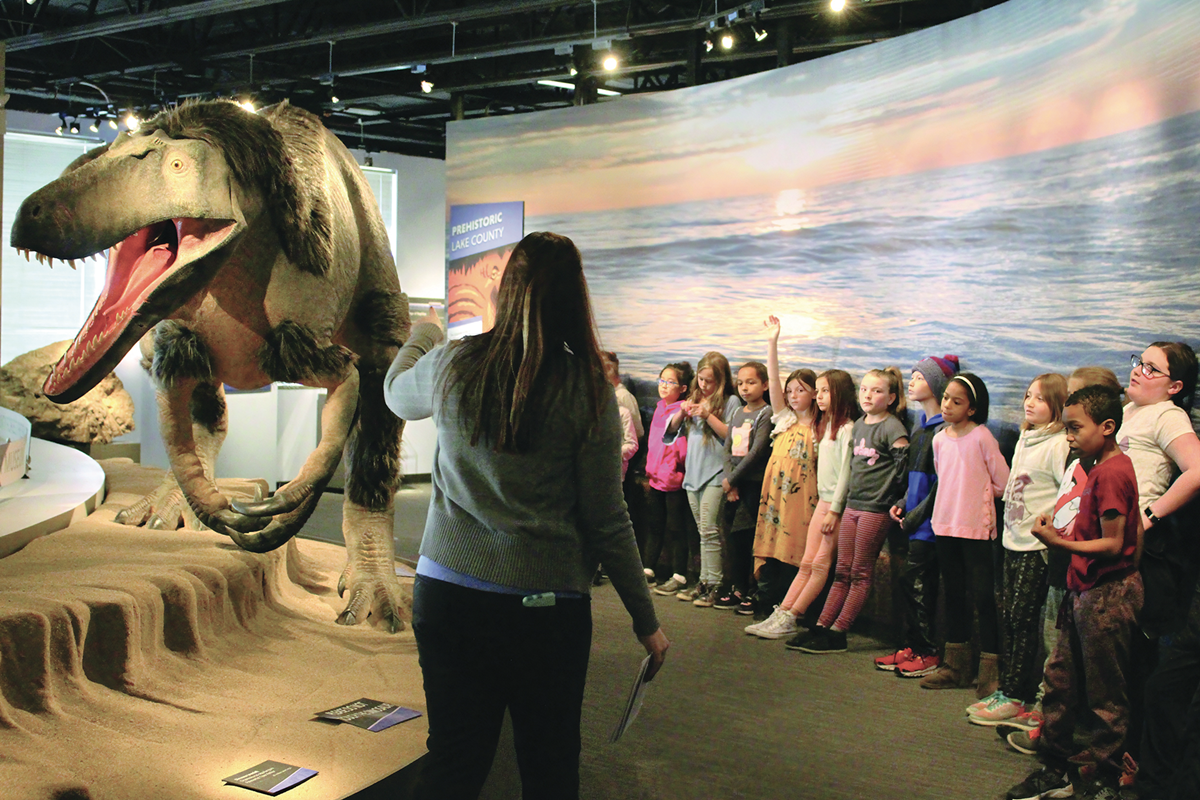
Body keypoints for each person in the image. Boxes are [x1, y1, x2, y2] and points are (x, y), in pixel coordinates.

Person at [384, 231, 669, 800]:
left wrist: (424, 334)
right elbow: (607, 518)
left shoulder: (451, 364)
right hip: (546, 610)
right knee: (549, 764)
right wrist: (646, 621)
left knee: (454, 760)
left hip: (447, 597)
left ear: (506, 290)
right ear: (575, 298)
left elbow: (395, 393)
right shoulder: (587, 390)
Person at [1006, 385, 1143, 800]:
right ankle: (1055, 764)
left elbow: (1115, 542)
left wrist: (1056, 542)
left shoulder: (1114, 471)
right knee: (1059, 678)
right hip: (1082, 589)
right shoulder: (1093, 465)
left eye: (1075, 428)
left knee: (1105, 694)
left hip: (1106, 593)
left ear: (1107, 426)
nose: (1067, 436)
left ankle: (1098, 778)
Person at [969, 374, 1069, 725]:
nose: (1029, 403)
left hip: (1034, 546)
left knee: (1024, 620)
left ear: (1057, 405)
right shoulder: (1027, 436)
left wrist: (1050, 524)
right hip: (1012, 540)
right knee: (1010, 617)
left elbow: (1067, 491)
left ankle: (1017, 694)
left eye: (1040, 399)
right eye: (1028, 395)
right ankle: (1009, 688)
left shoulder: (1058, 443)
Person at [793, 367, 909, 655]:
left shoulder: (893, 428)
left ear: (892, 397)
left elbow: (903, 468)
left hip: (875, 509)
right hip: (853, 506)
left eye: (878, 391)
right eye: (865, 389)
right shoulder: (858, 426)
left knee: (860, 572)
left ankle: (839, 630)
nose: (869, 395)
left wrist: (897, 499)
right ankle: (822, 626)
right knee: (842, 570)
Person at [920, 373, 1009, 696]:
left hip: (976, 528)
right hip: (945, 525)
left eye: (957, 402)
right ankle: (955, 666)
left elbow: (1003, 482)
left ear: (972, 409)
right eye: (946, 399)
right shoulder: (940, 439)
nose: (947, 405)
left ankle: (990, 671)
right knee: (954, 593)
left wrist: (978, 500)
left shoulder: (982, 437)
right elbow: (943, 477)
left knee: (984, 597)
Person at [753, 368, 858, 641]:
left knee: (820, 565)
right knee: (807, 563)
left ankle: (794, 614)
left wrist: (835, 510)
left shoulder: (847, 429)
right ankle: (784, 611)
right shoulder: (824, 426)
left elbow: (846, 473)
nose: (820, 396)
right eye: (819, 391)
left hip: (832, 505)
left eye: (825, 391)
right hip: (823, 501)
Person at [877, 354, 960, 677]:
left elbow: (940, 484)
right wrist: (901, 501)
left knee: (921, 584)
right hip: (913, 519)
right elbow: (914, 477)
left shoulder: (945, 431)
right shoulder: (920, 428)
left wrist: (915, 515)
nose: (911, 381)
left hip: (930, 523)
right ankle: (912, 644)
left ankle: (927, 650)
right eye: (911, 376)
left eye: (920, 377)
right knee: (910, 582)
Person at [742, 316, 820, 624]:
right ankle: (766, 601)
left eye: (800, 390)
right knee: (770, 545)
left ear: (814, 393)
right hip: (775, 497)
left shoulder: (820, 427)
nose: (792, 395)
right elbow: (772, 382)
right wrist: (772, 341)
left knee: (796, 550)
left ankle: (792, 609)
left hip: (803, 501)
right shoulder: (784, 419)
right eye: (790, 391)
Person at [666, 351, 741, 607]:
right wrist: (682, 413)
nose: (704, 385)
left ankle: (715, 584)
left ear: (721, 380)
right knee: (701, 531)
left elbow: (733, 437)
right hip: (694, 473)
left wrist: (708, 415)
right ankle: (704, 579)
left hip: (716, 474)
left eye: (710, 381)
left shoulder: (731, 402)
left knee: (710, 530)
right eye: (701, 379)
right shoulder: (694, 397)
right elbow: (670, 433)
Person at [715, 360, 774, 613]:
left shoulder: (766, 413)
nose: (745, 388)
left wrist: (734, 480)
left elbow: (757, 452)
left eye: (751, 382)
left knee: (751, 539)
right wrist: (729, 483)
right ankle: (737, 586)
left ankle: (753, 590)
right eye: (741, 383)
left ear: (765, 384)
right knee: (733, 537)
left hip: (753, 485)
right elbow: (728, 448)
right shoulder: (738, 412)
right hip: (735, 485)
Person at [644, 361, 696, 594]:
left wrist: (677, 466)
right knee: (655, 525)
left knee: (676, 528)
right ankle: (648, 569)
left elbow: (681, 446)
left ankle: (680, 574)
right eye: (662, 380)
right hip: (656, 477)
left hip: (674, 480)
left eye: (670, 382)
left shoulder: (683, 409)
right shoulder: (659, 407)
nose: (664, 386)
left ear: (683, 388)